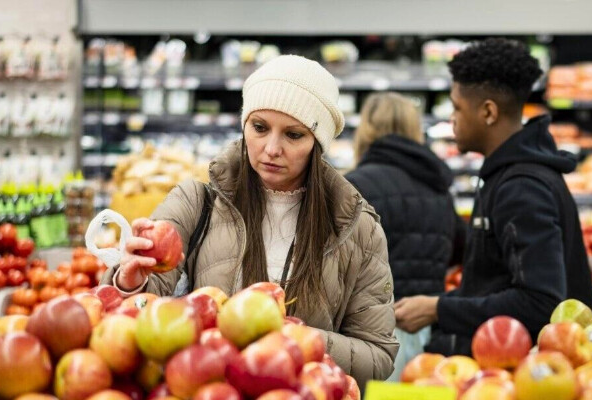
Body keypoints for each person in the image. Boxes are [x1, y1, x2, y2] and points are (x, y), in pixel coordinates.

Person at [100, 55, 399, 384]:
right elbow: (126, 319)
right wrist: (129, 283)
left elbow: (379, 356)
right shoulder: (194, 202)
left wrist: (290, 336)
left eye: (293, 135)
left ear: (318, 142)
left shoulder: (358, 229)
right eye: (259, 128)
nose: (271, 148)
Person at [393, 38, 592, 356]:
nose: (452, 119)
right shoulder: (508, 176)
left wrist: (439, 308)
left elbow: (540, 301)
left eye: (457, 107)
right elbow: (500, 284)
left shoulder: (521, 188)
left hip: (533, 374)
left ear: (488, 111)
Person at [344, 92, 465, 379]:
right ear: (414, 130)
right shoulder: (439, 189)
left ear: (367, 130)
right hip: (428, 338)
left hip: (369, 338)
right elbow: (462, 251)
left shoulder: (354, 186)